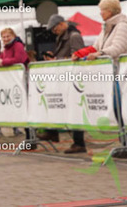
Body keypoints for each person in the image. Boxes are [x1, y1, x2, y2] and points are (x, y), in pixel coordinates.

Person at [72, 0, 127, 158]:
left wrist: (100, 53)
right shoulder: (107, 27)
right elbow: (96, 46)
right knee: (117, 109)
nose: (100, 13)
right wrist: (80, 53)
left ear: (110, 11)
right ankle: (125, 144)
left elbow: (117, 48)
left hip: (122, 73)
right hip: (112, 74)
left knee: (122, 109)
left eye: (102, 10)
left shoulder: (123, 26)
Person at [38, 14, 87, 154]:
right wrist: (54, 58)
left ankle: (79, 142)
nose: (54, 32)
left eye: (55, 29)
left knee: (74, 110)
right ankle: (53, 132)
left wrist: (57, 60)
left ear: (61, 24)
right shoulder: (64, 36)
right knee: (60, 105)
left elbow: (78, 56)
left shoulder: (74, 36)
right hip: (65, 77)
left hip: (72, 79)